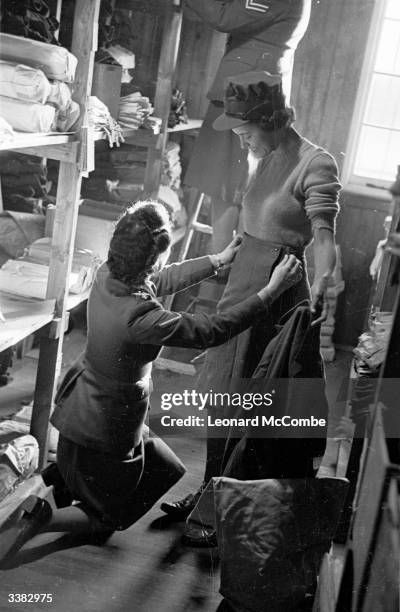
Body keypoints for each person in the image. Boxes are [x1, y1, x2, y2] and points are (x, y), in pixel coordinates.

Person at [0, 200, 303, 562]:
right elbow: (211, 329)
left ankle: (70, 482)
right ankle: (45, 518)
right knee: (108, 519)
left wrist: (218, 260)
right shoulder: (142, 317)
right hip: (105, 426)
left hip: (84, 412)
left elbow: (161, 279)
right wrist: (268, 293)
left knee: (168, 469)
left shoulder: (107, 275)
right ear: (151, 259)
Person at [161, 71, 342, 525]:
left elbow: (323, 233)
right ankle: (209, 492)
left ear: (270, 119)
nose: (242, 142)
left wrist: (324, 279)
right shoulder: (263, 154)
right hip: (243, 282)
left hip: (277, 290)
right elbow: (253, 223)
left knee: (249, 405)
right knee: (221, 396)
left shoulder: (315, 163)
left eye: (246, 132)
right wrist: (223, 260)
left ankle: (226, 508)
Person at [184, 0, 312, 252]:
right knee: (230, 192)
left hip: (244, 99)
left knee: (226, 192)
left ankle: (219, 281)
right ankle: (223, 279)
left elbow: (224, 17)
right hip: (250, 96)